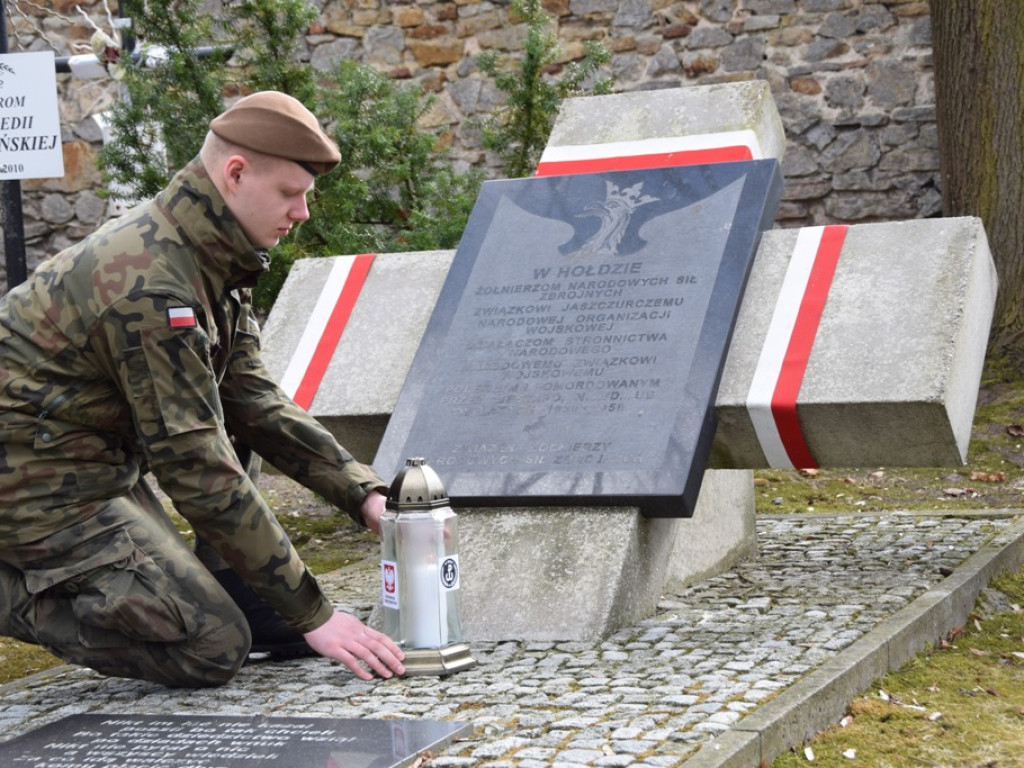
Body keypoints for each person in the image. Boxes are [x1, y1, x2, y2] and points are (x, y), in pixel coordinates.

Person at [0, 91, 405, 687]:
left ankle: (246, 594)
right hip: (31, 486)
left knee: (229, 435)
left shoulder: (212, 255)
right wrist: (314, 614)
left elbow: (253, 403)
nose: (302, 214)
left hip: (93, 466)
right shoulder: (153, 287)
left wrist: (363, 494)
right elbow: (194, 465)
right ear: (236, 173)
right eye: (290, 194)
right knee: (210, 644)